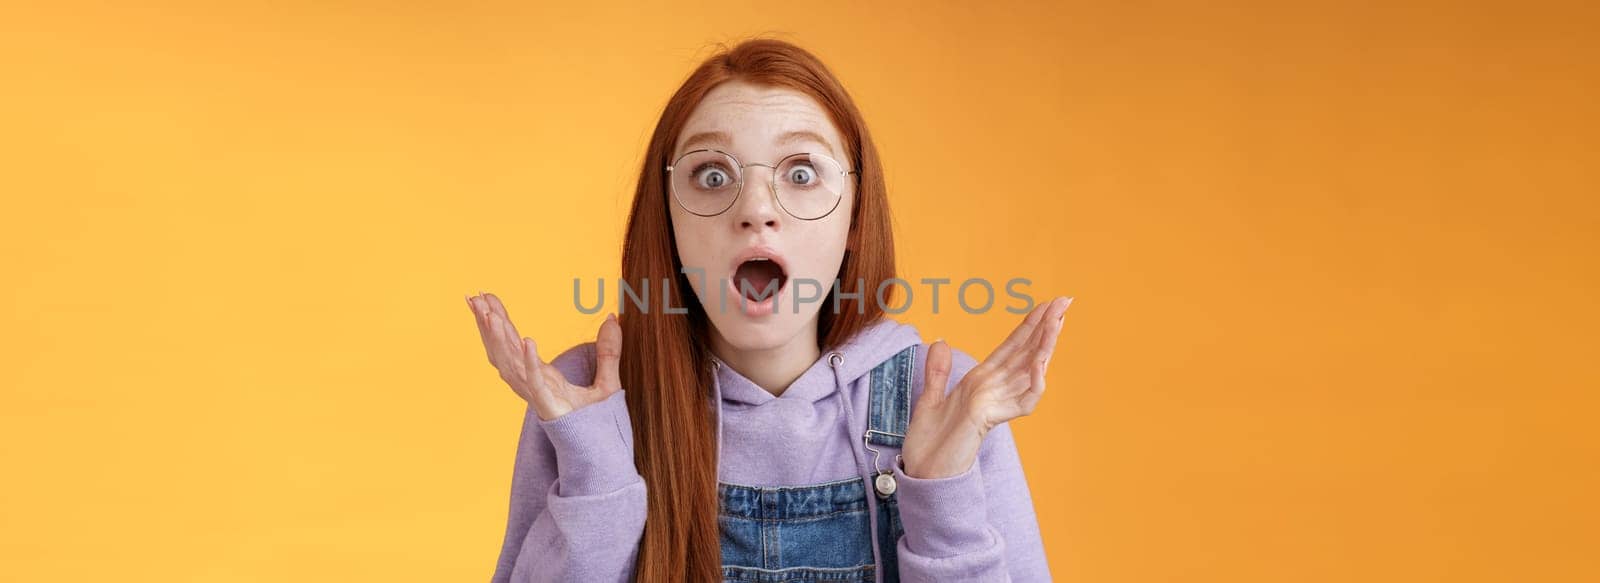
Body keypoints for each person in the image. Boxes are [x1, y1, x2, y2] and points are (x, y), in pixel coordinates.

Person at [469, 38, 1071, 583]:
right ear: (668, 219)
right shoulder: (591, 399)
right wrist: (597, 478)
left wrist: (942, 498)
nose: (756, 208)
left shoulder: (940, 402)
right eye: (711, 174)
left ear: (854, 220)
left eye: (802, 173)